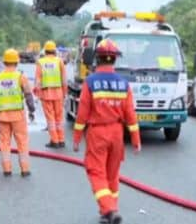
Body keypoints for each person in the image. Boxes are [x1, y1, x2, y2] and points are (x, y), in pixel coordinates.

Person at [73, 39, 141, 224]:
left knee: (96, 172)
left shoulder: (91, 82)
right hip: (117, 133)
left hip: (98, 133)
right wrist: (135, 140)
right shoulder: (123, 83)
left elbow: (82, 114)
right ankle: (110, 211)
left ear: (97, 58)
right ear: (115, 60)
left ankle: (109, 209)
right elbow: (130, 115)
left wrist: (77, 138)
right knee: (112, 175)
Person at [0, 48, 35, 177]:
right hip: (18, 116)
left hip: (2, 116)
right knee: (22, 142)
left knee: (4, 143)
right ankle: (25, 169)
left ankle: (7, 169)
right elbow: (28, 95)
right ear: (16, 62)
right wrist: (32, 110)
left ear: (4, 62)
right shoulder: (20, 77)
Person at [34, 40, 68, 148]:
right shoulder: (59, 61)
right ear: (54, 50)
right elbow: (64, 80)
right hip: (58, 93)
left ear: (45, 51)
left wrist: (37, 93)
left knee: (50, 118)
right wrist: (65, 92)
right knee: (59, 117)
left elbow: (38, 80)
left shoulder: (41, 62)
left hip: (46, 94)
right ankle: (61, 139)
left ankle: (54, 140)